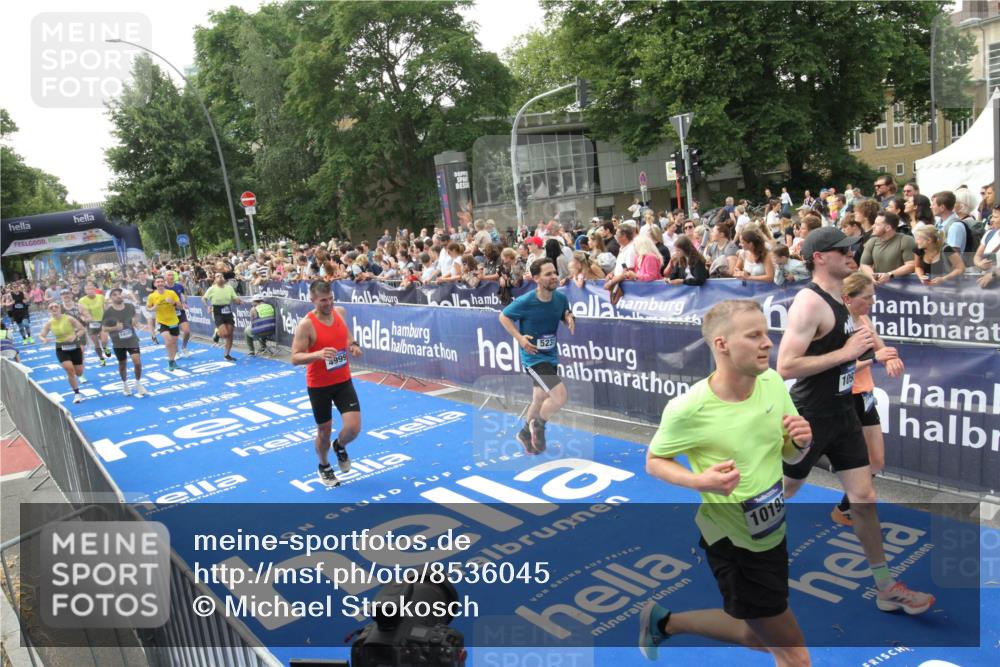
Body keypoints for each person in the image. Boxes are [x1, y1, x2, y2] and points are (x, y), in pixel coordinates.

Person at [640, 300, 813, 666]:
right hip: (734, 545)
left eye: (767, 333)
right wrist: (699, 480)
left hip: (772, 534)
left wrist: (801, 443)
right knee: (795, 656)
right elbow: (654, 461)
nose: (768, 342)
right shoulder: (689, 409)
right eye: (754, 335)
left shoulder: (772, 383)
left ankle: (665, 623)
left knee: (758, 636)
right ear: (722, 344)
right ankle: (665, 623)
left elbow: (789, 450)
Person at [777, 226, 935, 615]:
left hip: (844, 412)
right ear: (819, 257)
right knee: (785, 489)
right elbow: (786, 366)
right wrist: (847, 353)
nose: (852, 254)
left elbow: (856, 347)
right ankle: (734, 527)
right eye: (843, 250)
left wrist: (868, 353)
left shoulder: (841, 298)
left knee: (864, 498)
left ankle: (885, 587)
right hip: (810, 416)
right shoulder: (809, 303)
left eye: (852, 248)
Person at [831, 272, 903, 525]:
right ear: (848, 298)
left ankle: (844, 507)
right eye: (867, 297)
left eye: (873, 296)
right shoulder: (836, 324)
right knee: (812, 456)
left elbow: (878, 344)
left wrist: (889, 356)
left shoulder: (862, 318)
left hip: (865, 394)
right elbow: (837, 368)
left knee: (876, 460)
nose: (872, 301)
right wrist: (874, 359)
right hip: (843, 397)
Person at [499, 258, 575, 455]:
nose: (554, 277)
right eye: (548, 274)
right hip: (533, 357)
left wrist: (568, 317)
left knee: (540, 397)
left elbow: (564, 312)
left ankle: (525, 433)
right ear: (536, 278)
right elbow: (504, 316)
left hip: (551, 355)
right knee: (559, 396)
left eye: (555, 272)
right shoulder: (526, 301)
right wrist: (520, 339)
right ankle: (538, 426)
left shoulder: (560, 298)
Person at [291, 280, 363, 487]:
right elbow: (295, 358)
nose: (329, 304)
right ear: (312, 300)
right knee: (324, 431)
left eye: (331, 299)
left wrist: (353, 344)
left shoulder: (339, 312)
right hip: (319, 386)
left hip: (343, 380)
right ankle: (324, 466)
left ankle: (339, 446)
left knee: (353, 428)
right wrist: (318, 354)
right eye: (323, 300)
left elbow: (346, 334)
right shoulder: (306, 325)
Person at [38, 302, 88, 404]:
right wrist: (44, 339)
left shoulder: (69, 318)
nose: (54, 308)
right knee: (69, 370)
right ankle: (77, 394)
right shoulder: (49, 323)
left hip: (74, 346)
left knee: (79, 372)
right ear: (49, 311)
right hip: (61, 348)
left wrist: (75, 336)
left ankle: (81, 362)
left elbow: (82, 329)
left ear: (60, 308)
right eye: (51, 307)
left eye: (56, 306)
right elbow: (41, 335)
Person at [102, 287, 147, 397]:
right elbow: (104, 328)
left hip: (131, 339)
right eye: (115, 295)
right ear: (111, 298)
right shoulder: (108, 312)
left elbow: (135, 317)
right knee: (122, 364)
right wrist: (115, 328)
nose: (118, 296)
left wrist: (135, 321)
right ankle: (125, 384)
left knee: (137, 362)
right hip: (118, 342)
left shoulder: (129, 306)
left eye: (119, 294)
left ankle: (138, 383)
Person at [859, 212, 916, 285]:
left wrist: (890, 274)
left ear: (888, 228)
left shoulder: (906, 240)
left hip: (903, 286)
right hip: (880, 286)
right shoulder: (872, 241)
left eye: (877, 224)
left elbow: (911, 265)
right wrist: (872, 276)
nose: (873, 226)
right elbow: (864, 264)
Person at [203, 272, 243, 361]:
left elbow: (235, 298)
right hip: (217, 311)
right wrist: (208, 306)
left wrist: (239, 301)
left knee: (230, 334)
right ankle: (217, 333)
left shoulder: (229, 288)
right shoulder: (212, 289)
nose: (220, 277)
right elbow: (204, 298)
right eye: (218, 276)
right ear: (215, 280)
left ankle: (227, 354)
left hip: (227, 310)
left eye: (221, 276)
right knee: (224, 333)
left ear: (224, 279)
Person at [146, 277, 182, 371]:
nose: (160, 283)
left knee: (174, 343)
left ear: (164, 283)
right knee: (168, 341)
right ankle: (170, 362)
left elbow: (180, 307)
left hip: (173, 321)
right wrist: (152, 308)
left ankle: (172, 361)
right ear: (155, 284)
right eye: (158, 282)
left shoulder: (171, 293)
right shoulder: (152, 296)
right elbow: (147, 308)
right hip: (162, 322)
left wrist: (173, 303)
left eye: (162, 281)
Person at [78, 283, 112, 367]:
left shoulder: (100, 297)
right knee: (96, 344)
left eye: (92, 289)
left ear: (95, 289)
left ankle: (105, 348)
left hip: (102, 321)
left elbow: (106, 308)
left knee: (104, 340)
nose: (90, 291)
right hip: (91, 324)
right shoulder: (82, 300)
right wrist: (84, 319)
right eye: (88, 289)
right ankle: (101, 359)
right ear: (85, 291)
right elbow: (81, 313)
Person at [164, 271, 192, 357]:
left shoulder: (179, 286)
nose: (171, 276)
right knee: (174, 335)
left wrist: (184, 303)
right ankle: (176, 352)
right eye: (169, 275)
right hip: (170, 314)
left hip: (180, 311)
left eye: (172, 275)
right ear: (165, 277)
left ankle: (184, 347)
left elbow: (183, 295)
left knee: (187, 331)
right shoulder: (163, 288)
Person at [974, 204, 1000, 289]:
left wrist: (993, 274)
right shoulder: (989, 234)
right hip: (986, 286)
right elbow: (977, 256)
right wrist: (980, 264)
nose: (991, 220)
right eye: (992, 216)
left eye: (995, 217)